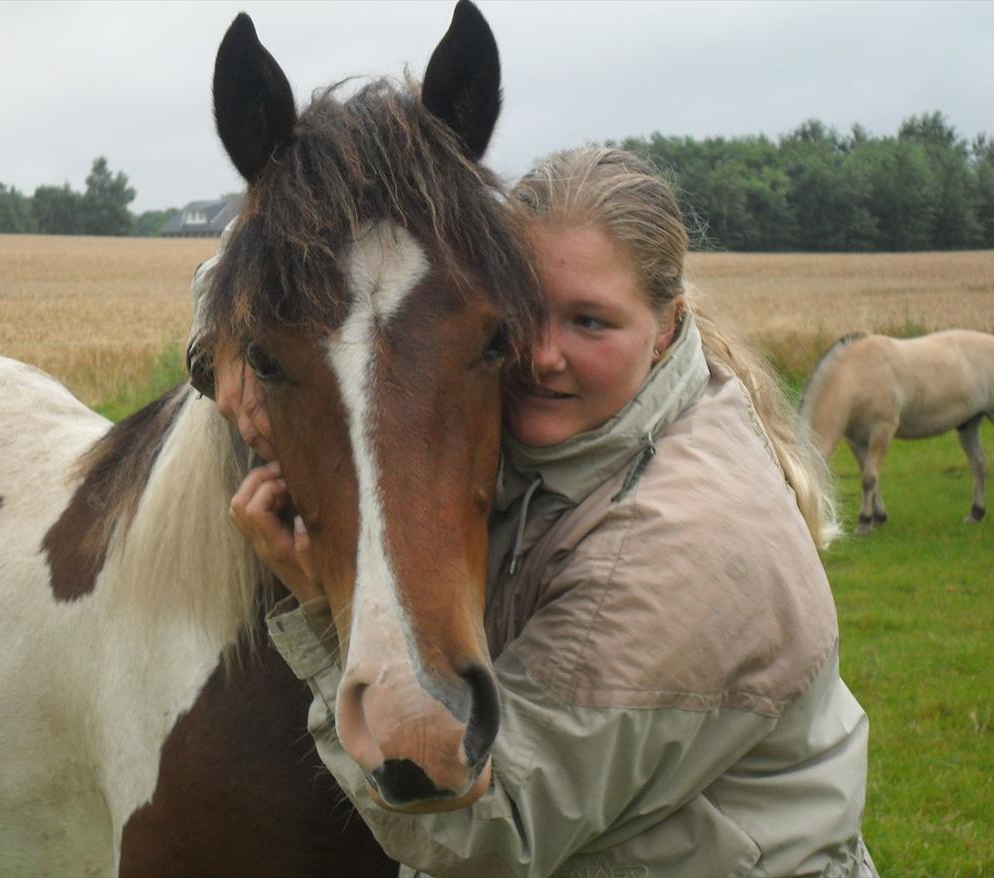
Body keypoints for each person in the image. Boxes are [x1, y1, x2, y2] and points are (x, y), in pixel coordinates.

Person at [206, 148, 878, 877]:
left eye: (590, 323)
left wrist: (318, 614)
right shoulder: (566, 427)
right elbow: (348, 283)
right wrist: (226, 349)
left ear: (665, 325)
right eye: (522, 313)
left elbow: (489, 832)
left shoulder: (684, 544)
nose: (543, 356)